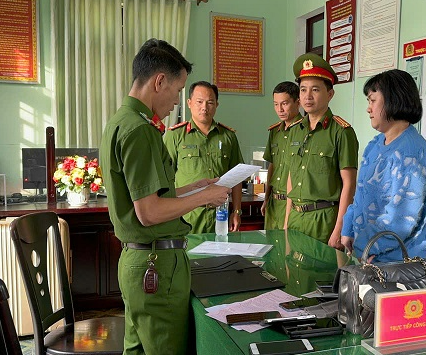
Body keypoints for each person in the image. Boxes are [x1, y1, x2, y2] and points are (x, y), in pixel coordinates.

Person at [99, 39, 230, 354]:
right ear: (159, 81)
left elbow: (150, 196)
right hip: (156, 265)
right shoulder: (140, 130)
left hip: (140, 260)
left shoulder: (121, 121)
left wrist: (196, 187)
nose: (177, 100)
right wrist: (204, 198)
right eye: (178, 89)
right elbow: (150, 212)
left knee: (140, 349)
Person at [341, 69, 426, 263]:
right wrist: (348, 229)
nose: (368, 108)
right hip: (369, 254)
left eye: (372, 100)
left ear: (393, 99)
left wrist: (364, 246)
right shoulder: (375, 145)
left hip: (395, 261)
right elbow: (359, 195)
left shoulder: (410, 151)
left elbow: (402, 219)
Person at [285, 53, 359, 249]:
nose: (308, 96)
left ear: (330, 94)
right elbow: (291, 178)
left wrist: (339, 230)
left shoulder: (341, 132)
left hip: (324, 221)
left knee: (321, 278)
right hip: (295, 219)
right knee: (294, 275)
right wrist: (285, 223)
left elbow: (349, 184)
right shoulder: (294, 131)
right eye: (303, 90)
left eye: (315, 90)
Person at [164, 81, 245, 234]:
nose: (204, 107)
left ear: (217, 105)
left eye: (210, 103)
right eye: (199, 102)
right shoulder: (175, 136)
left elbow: (237, 177)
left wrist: (237, 211)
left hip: (220, 216)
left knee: (220, 257)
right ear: (189, 103)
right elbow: (165, 178)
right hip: (187, 216)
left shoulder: (228, 136)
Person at [261, 81, 303, 230]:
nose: (280, 109)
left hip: (293, 205)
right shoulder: (274, 132)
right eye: (276, 104)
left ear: (297, 102)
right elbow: (272, 165)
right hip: (274, 203)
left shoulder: (305, 130)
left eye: (284, 104)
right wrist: (266, 198)